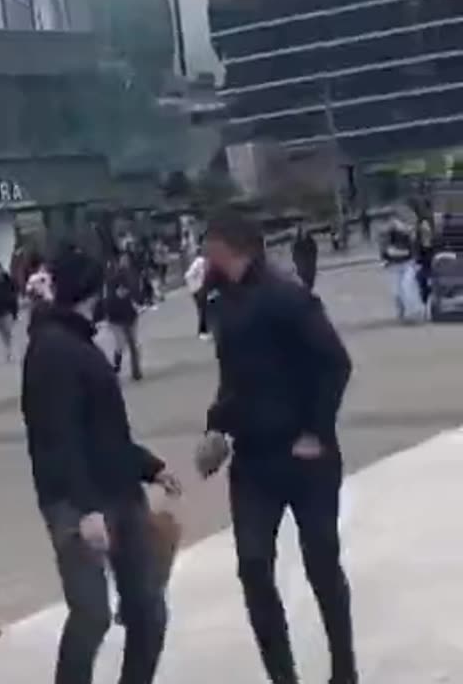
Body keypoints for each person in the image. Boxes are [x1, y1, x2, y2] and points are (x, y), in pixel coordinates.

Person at [196, 209, 356, 684]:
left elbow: (335, 363)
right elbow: (235, 378)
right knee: (252, 566)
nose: (203, 252)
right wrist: (216, 428)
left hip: (306, 458)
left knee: (322, 563)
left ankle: (344, 671)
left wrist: (317, 431)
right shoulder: (222, 302)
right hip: (253, 460)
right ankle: (282, 677)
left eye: (208, 243)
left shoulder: (289, 297)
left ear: (230, 246)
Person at [22, 248, 181, 684]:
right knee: (92, 614)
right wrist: (87, 508)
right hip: (79, 502)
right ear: (94, 291)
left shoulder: (75, 340)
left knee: (147, 607)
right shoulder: (54, 348)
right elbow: (59, 437)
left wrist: (148, 466)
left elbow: (104, 429)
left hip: (118, 492)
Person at [105, 255, 143, 381]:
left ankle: (136, 371)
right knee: (120, 344)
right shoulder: (111, 279)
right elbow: (109, 299)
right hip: (116, 317)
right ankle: (116, 368)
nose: (125, 262)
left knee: (134, 343)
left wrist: (137, 301)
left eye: (127, 260)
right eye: (122, 260)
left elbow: (137, 293)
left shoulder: (132, 276)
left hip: (130, 314)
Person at [185, 251, 211, 340]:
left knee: (207, 309)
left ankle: (206, 330)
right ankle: (202, 331)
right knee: (203, 309)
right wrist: (195, 288)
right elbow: (188, 275)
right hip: (199, 289)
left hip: (204, 288)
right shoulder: (200, 262)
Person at [291, 224, 319, 292]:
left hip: (309, 266)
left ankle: (308, 291)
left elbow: (314, 252)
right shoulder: (297, 243)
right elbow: (295, 255)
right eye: (302, 232)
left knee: (309, 282)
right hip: (303, 267)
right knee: (305, 282)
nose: (303, 233)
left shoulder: (310, 242)